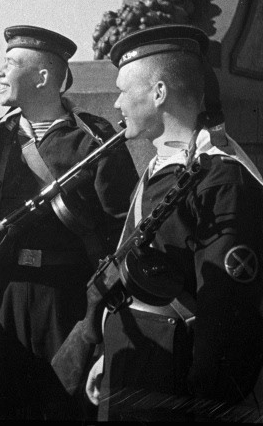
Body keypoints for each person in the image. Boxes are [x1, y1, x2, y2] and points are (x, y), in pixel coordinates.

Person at [0, 25, 138, 420]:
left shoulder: (93, 139)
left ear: (43, 77)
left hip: (69, 299)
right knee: (7, 406)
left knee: (65, 409)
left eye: (10, 64)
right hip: (4, 295)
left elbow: (122, 229)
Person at [83, 24, 263, 421]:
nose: (115, 104)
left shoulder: (222, 180)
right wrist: (107, 355)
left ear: (159, 92)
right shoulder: (157, 170)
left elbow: (226, 313)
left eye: (123, 91)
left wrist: (205, 402)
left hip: (174, 381)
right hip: (132, 359)